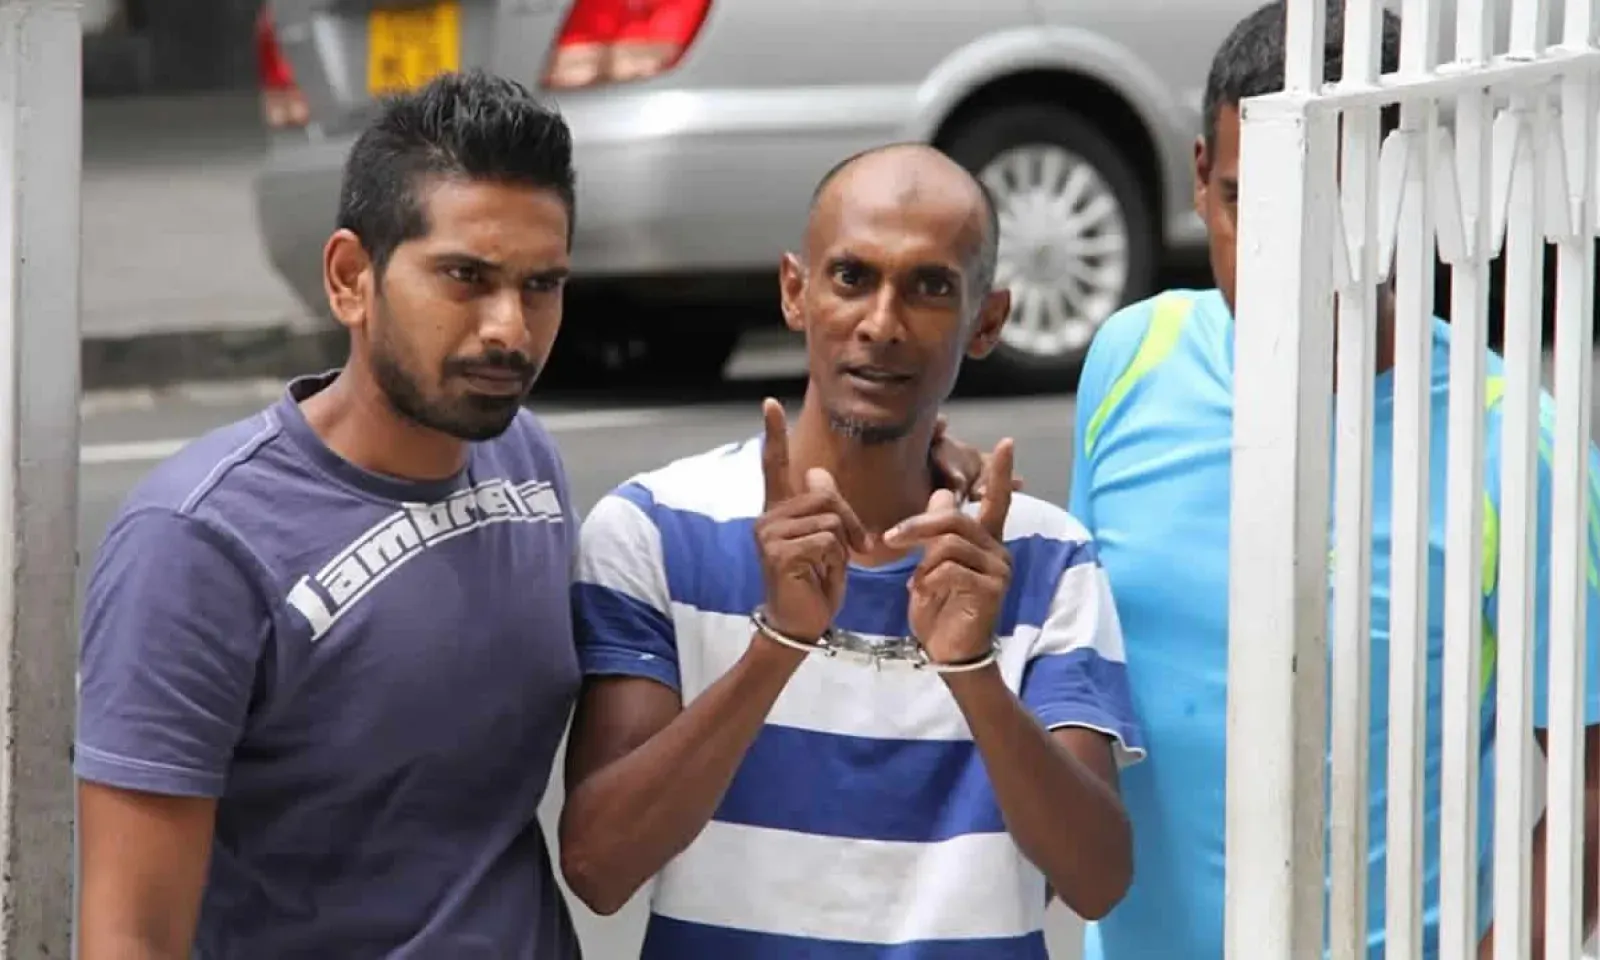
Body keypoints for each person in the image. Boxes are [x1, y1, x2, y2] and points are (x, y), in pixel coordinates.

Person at [1068, 3, 1600, 959]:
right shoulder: (1130, 359)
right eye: (1248, 204)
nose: (1289, 253)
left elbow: (1591, 783)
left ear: (1411, 193)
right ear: (1200, 178)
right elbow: (1077, 673)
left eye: (1339, 211)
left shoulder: (1516, 445)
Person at [558, 142, 1144, 959]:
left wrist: (974, 673)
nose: (882, 323)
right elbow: (598, 866)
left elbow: (1096, 880)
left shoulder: (1044, 558)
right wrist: (777, 646)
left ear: (988, 321)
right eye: (851, 277)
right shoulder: (654, 530)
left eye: (930, 287)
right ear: (795, 292)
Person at [72, 71, 589, 958]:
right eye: (465, 277)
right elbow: (132, 935)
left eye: (540, 285)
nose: (510, 328)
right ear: (352, 279)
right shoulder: (198, 543)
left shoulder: (525, 460)